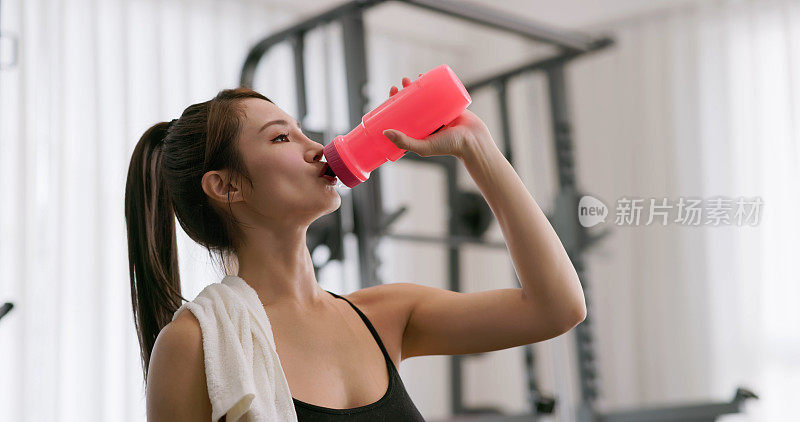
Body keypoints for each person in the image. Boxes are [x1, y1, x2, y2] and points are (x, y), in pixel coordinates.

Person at [125, 76, 586, 421]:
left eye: (303, 131)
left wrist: (477, 147)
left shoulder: (386, 315)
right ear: (225, 186)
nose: (319, 148)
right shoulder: (194, 344)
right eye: (282, 137)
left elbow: (557, 307)